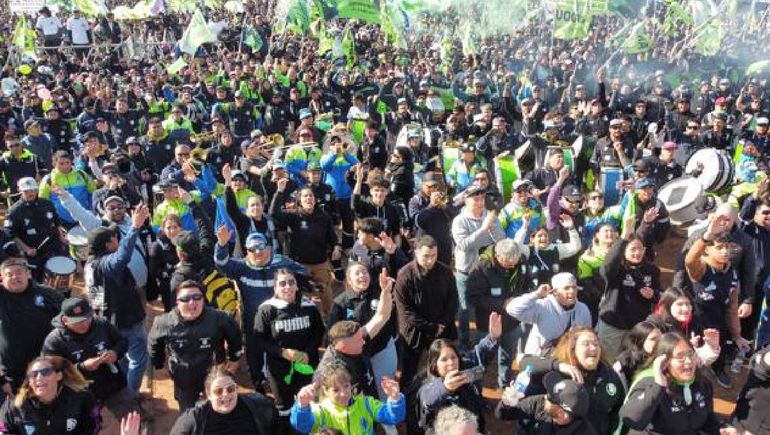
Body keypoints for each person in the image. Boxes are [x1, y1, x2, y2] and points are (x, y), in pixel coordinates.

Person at [214, 227, 306, 388]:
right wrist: (221, 245)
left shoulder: (281, 262)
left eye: (261, 248)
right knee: (254, 351)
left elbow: (303, 273)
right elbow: (221, 264)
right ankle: (258, 381)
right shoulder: (241, 267)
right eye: (252, 249)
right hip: (253, 320)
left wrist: (294, 295)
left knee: (281, 349)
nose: (257, 252)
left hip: (279, 319)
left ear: (268, 248)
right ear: (247, 251)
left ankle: (284, 379)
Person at [84, 204, 151, 394]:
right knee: (138, 358)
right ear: (107, 244)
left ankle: (122, 390)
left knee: (121, 356)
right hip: (125, 319)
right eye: (114, 237)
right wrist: (135, 227)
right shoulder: (106, 262)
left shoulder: (90, 263)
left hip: (107, 321)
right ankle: (130, 395)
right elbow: (121, 257)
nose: (117, 239)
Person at [148, 280, 243, 410]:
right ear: (177, 302)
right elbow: (154, 344)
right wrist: (158, 365)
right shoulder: (164, 322)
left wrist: (234, 358)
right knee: (188, 410)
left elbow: (235, 336)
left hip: (214, 374)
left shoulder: (220, 318)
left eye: (197, 297)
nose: (192, 302)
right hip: (184, 378)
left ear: (203, 299)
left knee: (217, 408)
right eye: (185, 299)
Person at [252, 269, 325, 432]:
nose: (287, 287)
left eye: (291, 282)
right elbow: (258, 340)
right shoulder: (267, 309)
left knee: (310, 401)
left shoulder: (309, 307)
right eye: (282, 283)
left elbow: (318, 332)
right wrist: (282, 352)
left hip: (307, 364)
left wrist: (308, 351)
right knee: (284, 406)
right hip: (279, 368)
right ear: (275, 288)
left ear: (297, 285)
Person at [618, 332, 731, 435]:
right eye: (680, 357)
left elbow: (707, 418)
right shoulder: (649, 384)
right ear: (665, 362)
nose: (688, 361)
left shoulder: (703, 384)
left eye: (690, 354)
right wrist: (658, 385)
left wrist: (720, 428)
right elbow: (632, 420)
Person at [518, 327, 624, 435]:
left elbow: (617, 414)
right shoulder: (559, 371)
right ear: (573, 349)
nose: (593, 348)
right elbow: (524, 363)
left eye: (596, 344)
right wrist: (557, 365)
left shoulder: (610, 376)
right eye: (586, 344)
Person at [42, 297, 135, 419]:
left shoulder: (102, 324)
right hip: (80, 395)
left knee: (133, 418)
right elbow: (50, 371)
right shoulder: (55, 341)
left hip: (113, 385)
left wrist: (115, 353)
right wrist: (81, 367)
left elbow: (122, 341)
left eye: (87, 318)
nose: (85, 323)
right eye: (79, 321)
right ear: (65, 320)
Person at [684, 215, 749, 388]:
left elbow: (732, 307)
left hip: (718, 322)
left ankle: (719, 370)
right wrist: (706, 237)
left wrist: (737, 335)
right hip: (695, 323)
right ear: (707, 250)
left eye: (727, 247)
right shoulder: (701, 269)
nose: (725, 251)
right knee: (692, 358)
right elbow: (689, 260)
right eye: (719, 247)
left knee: (720, 352)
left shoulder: (732, 274)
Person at [416, 312, 501, 435]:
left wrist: (493, 337)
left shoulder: (464, 368)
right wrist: (445, 388)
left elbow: (479, 353)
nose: (451, 363)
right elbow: (427, 399)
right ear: (435, 364)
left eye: (453, 357)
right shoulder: (425, 384)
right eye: (444, 359)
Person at [270, 179, 340, 315]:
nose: (308, 198)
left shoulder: (324, 217)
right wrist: (279, 192)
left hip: (320, 262)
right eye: (305, 196)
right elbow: (274, 213)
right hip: (300, 265)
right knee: (304, 296)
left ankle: (330, 321)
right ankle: (307, 321)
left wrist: (336, 247)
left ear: (315, 199)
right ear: (299, 200)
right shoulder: (294, 216)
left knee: (325, 293)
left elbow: (332, 237)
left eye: (311, 196)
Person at [394, 235, 459, 383]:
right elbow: (405, 311)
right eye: (425, 256)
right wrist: (431, 327)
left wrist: (441, 324)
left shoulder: (445, 272)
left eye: (433, 255)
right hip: (414, 332)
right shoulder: (405, 276)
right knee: (408, 370)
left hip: (441, 329)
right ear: (416, 253)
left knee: (441, 367)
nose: (430, 260)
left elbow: (453, 301)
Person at [596, 217, 661, 362]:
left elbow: (659, 294)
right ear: (623, 250)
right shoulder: (617, 269)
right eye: (633, 249)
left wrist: (653, 294)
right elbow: (605, 269)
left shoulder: (651, 270)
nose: (637, 253)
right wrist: (624, 238)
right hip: (612, 325)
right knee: (608, 360)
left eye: (640, 249)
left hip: (636, 327)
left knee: (632, 361)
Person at [452, 184, 505, 347]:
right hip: (466, 272)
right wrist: (483, 229)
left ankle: (488, 339)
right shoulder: (459, 221)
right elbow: (463, 245)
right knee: (465, 309)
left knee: (487, 305)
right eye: (476, 199)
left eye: (482, 198)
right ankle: (463, 342)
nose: (480, 202)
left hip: (487, 272)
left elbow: (501, 240)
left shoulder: (489, 216)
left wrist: (493, 225)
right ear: (466, 201)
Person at [0, 257, 63, 392]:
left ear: (28, 274)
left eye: (19, 272)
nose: (15, 277)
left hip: (47, 367)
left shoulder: (47, 293)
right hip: (13, 373)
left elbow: (68, 320)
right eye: (9, 274)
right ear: (2, 278)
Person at [291, 365, 405, 434]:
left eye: (346, 386)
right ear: (325, 391)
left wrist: (394, 397)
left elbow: (392, 417)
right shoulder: (321, 411)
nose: (343, 393)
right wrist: (302, 405)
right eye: (335, 390)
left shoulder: (366, 404)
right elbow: (302, 426)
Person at [0, 356, 99, 434]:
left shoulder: (81, 398)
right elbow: (3, 430)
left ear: (59, 375)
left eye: (46, 372)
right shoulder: (14, 406)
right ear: (29, 381)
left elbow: (93, 426)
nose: (39, 378)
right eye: (33, 374)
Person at [506, 272, 592, 356]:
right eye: (566, 288)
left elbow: (587, 335)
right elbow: (512, 309)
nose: (572, 291)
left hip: (567, 359)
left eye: (574, 287)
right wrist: (536, 294)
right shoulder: (543, 306)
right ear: (555, 292)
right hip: (539, 358)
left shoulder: (583, 309)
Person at [170, 367, 276, 434]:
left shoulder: (258, 407)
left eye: (230, 389)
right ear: (209, 395)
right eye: (218, 391)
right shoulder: (193, 420)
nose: (225, 394)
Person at [5, 177, 68, 282]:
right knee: (36, 281)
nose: (31, 193)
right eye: (27, 191)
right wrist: (26, 249)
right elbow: (12, 235)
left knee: (60, 278)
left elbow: (56, 222)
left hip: (54, 247)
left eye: (33, 189)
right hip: (33, 252)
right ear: (19, 190)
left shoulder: (47, 204)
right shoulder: (14, 211)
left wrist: (62, 237)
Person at [496, 371, 597, 434]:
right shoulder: (540, 402)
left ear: (562, 414)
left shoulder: (585, 431)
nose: (545, 396)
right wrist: (506, 403)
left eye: (551, 398)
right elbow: (502, 414)